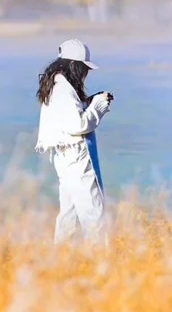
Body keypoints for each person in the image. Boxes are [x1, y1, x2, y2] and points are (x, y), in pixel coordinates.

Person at [35, 39, 114, 244]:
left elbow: (70, 112)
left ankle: (61, 261)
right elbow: (77, 125)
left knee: (68, 214)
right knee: (93, 212)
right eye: (83, 68)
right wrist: (98, 105)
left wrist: (89, 101)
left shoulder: (56, 83)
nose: (84, 74)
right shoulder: (63, 87)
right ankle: (102, 263)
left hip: (64, 156)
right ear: (74, 65)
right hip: (76, 156)